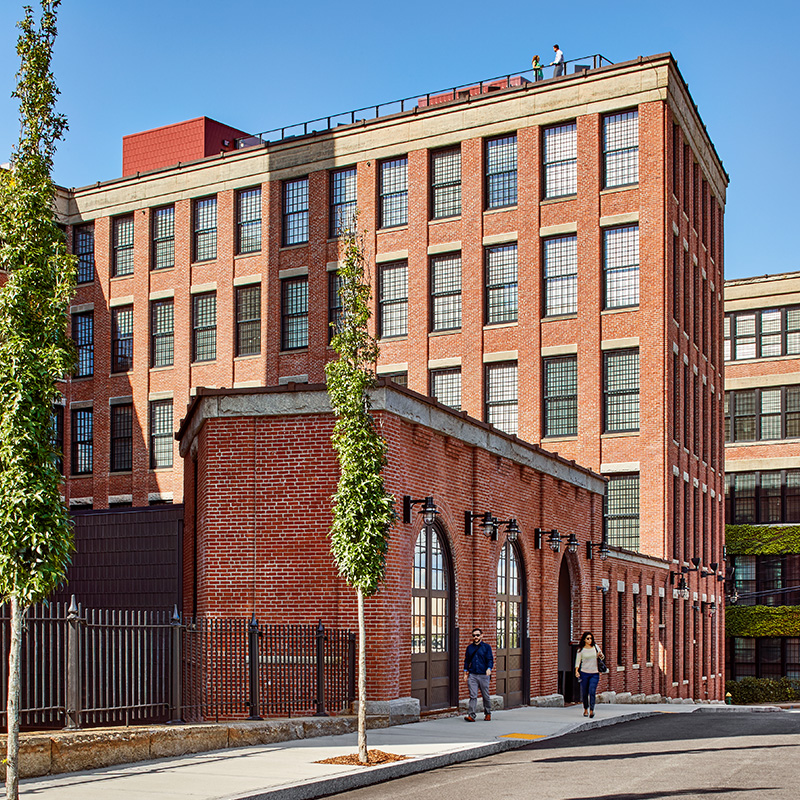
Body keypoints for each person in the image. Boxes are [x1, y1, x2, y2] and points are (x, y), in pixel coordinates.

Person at [463, 628, 494, 721]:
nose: (475, 637)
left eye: (477, 635)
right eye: (474, 636)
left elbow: (490, 659)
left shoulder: (486, 647)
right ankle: (471, 715)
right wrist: (465, 673)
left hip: (483, 675)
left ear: (481, 636)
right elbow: (466, 661)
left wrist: (489, 669)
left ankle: (488, 712)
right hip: (473, 675)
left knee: (486, 695)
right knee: (473, 695)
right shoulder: (469, 648)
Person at [574, 631, 603, 717]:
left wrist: (600, 655)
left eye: (591, 638)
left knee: (592, 691)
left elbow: (602, 656)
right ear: (584, 640)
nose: (590, 640)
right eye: (588, 638)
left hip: (595, 673)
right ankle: (585, 709)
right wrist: (576, 671)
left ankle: (591, 710)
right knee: (584, 692)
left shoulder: (595, 647)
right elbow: (577, 661)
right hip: (584, 673)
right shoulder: (581, 650)